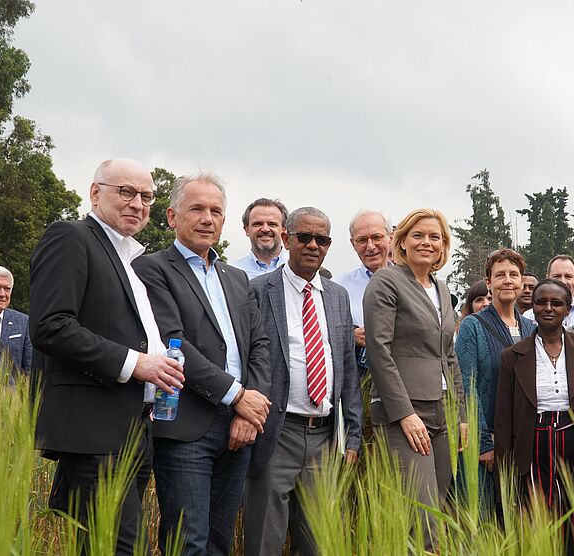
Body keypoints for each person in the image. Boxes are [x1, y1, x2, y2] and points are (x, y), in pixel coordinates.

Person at [29, 158, 186, 554]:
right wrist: (137, 363)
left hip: (135, 426)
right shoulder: (70, 237)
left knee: (101, 546)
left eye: (146, 196)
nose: (137, 203)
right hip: (93, 428)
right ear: (95, 192)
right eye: (126, 192)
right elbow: (51, 326)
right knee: (122, 546)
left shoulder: (131, 259)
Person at [132, 173, 272, 555]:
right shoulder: (151, 270)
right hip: (186, 427)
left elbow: (259, 345)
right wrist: (237, 396)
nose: (207, 218)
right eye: (196, 209)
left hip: (240, 427)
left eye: (215, 211)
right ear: (172, 216)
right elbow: (174, 343)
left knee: (219, 541)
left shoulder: (238, 278)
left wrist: (250, 409)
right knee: (187, 542)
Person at [245, 207, 363, 556]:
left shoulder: (337, 296)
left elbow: (346, 368)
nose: (313, 245)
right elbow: (248, 359)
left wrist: (352, 434)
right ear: (286, 238)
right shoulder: (256, 291)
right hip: (277, 432)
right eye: (304, 237)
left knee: (318, 542)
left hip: (326, 437)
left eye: (322, 239)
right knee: (265, 539)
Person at [494, 278, 574, 554]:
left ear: (568, 308)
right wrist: (504, 471)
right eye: (541, 302)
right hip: (534, 442)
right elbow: (504, 418)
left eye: (557, 303)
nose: (548, 308)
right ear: (533, 307)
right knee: (540, 516)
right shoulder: (513, 356)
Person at [363, 208, 468, 551]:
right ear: (402, 242)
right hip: (405, 413)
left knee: (438, 508)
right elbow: (379, 351)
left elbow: (448, 355)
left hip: (441, 412)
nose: (427, 242)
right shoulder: (387, 281)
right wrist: (404, 413)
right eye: (418, 235)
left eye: (435, 237)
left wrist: (461, 415)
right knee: (421, 516)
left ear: (443, 246)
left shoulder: (441, 288)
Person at [455, 248, 537, 513]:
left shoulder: (531, 329)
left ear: (522, 281)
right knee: (485, 523)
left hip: (524, 443)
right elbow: (467, 385)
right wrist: (485, 443)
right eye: (500, 275)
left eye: (514, 274)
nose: (508, 280)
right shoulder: (473, 326)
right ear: (489, 283)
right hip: (487, 444)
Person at [332, 209, 393, 375]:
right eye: (362, 240)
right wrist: (351, 336)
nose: (370, 246)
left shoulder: (411, 283)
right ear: (353, 244)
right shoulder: (337, 288)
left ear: (391, 238)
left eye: (377, 237)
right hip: (357, 381)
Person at [231, 198, 289, 278]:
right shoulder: (232, 273)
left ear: (284, 229)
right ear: (247, 230)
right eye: (258, 224)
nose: (265, 229)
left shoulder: (299, 269)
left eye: (272, 224)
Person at [522, 255, 574, 326]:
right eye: (557, 276)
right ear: (547, 278)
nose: (563, 281)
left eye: (568, 276)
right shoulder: (529, 317)